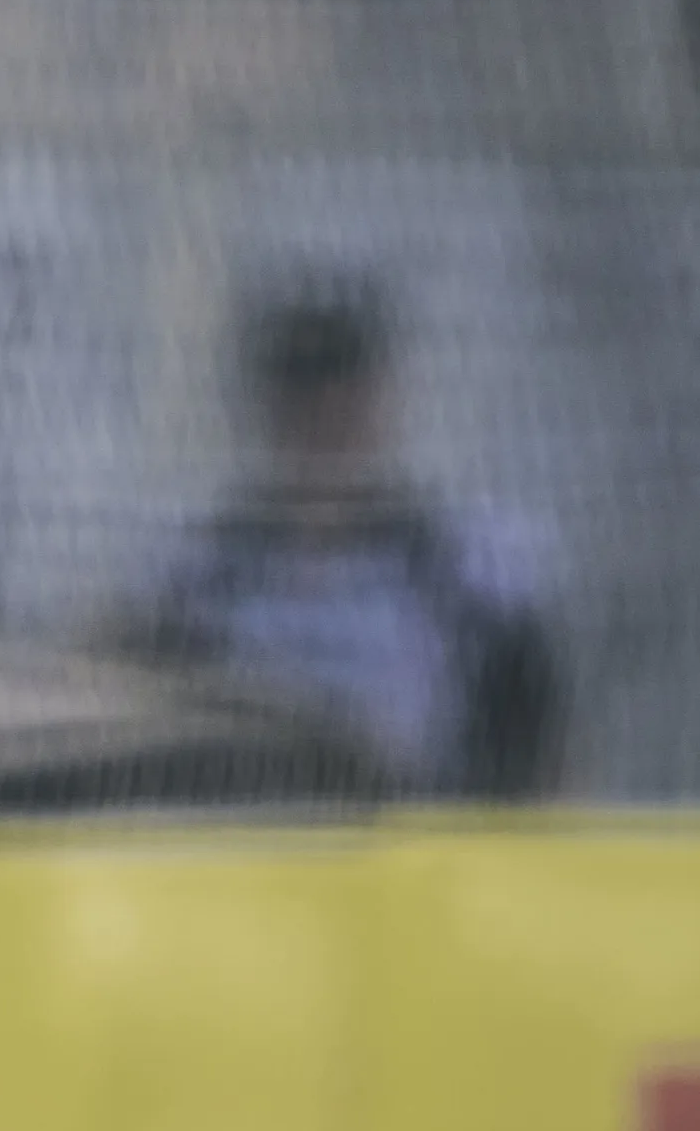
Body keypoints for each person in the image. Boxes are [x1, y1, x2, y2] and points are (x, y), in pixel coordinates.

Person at [134, 283, 562, 798]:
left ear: (380, 405)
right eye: (303, 408)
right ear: (269, 416)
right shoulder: (200, 580)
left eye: (345, 405)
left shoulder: (469, 574)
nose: (324, 428)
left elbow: (547, 750)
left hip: (424, 852)